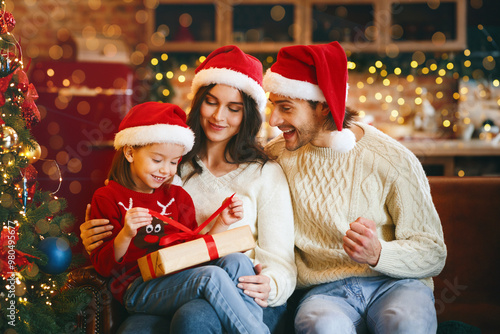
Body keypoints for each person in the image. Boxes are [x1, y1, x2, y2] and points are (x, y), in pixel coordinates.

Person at [80, 45, 296, 333]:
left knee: (207, 297)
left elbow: (280, 260)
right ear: (198, 102)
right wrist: (99, 235)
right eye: (211, 102)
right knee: (151, 326)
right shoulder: (169, 167)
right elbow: (124, 203)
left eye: (233, 109)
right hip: (176, 281)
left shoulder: (265, 173)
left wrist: (272, 283)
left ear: (248, 115)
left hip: (243, 290)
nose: (219, 116)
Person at [262, 41, 447, 333]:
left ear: (323, 106)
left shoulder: (393, 160)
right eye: (273, 107)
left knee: (405, 322)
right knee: (320, 327)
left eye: (286, 108)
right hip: (325, 292)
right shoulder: (276, 156)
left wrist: (378, 254)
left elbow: (433, 252)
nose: (274, 121)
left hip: (396, 284)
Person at [89, 101, 270, 334]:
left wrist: (221, 223)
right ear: (130, 152)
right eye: (157, 160)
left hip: (180, 278)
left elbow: (194, 253)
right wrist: (125, 234)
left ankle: (250, 327)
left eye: (174, 162)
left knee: (237, 261)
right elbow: (104, 267)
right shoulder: (107, 197)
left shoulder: (177, 196)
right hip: (139, 289)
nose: (165, 170)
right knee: (211, 276)